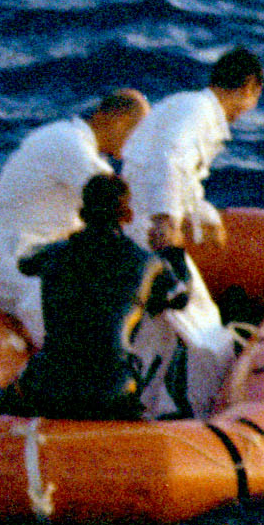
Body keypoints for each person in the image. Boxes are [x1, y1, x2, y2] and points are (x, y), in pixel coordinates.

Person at [119, 48, 263, 416]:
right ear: (250, 88)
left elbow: (182, 178)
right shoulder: (198, 113)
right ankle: (200, 414)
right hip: (149, 234)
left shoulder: (184, 106)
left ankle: (150, 408)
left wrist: (205, 218)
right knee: (202, 330)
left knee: (157, 333)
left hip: (134, 227)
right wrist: (167, 221)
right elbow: (171, 160)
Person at [0, 85, 148, 327]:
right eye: (135, 133)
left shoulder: (61, 135)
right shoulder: (71, 146)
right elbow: (122, 203)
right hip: (12, 264)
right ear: (114, 120)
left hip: (12, 256)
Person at [11, 170, 160, 421]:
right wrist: (173, 253)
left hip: (49, 386)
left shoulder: (55, 254)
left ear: (82, 213)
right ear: (128, 215)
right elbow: (181, 297)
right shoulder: (146, 262)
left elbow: (25, 262)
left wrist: (59, 242)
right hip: (111, 389)